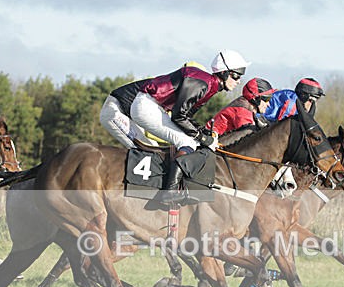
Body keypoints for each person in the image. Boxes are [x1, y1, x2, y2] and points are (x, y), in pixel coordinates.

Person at [99, 49, 250, 205]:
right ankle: (167, 192)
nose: (239, 81)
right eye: (236, 76)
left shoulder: (208, 86)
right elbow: (179, 116)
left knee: (160, 147)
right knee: (183, 143)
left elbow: (186, 118)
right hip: (123, 109)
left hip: (144, 106)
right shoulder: (202, 82)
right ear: (224, 73)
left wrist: (203, 134)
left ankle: (162, 188)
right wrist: (202, 138)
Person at [206, 77, 275, 137]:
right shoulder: (243, 112)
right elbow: (248, 139)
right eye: (266, 99)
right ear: (255, 98)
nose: (268, 104)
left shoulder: (246, 105)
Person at [260, 77, 325, 123]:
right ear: (304, 96)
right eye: (311, 101)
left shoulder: (292, 97)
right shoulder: (292, 102)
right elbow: (283, 128)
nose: (311, 106)